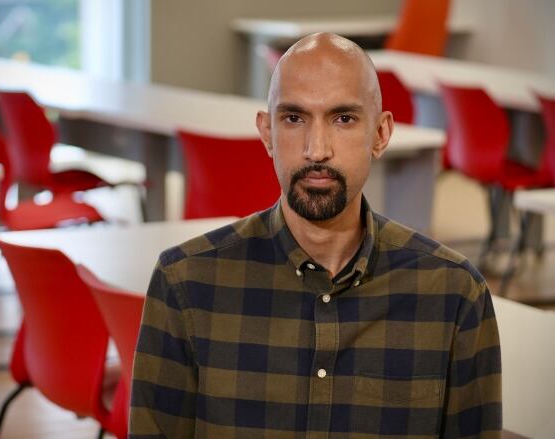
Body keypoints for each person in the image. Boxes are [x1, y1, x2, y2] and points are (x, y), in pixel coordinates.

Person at [129, 32, 501, 438]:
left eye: (343, 118)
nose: (317, 149)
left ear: (380, 135)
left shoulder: (453, 294)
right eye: (294, 118)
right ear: (267, 133)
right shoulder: (186, 284)